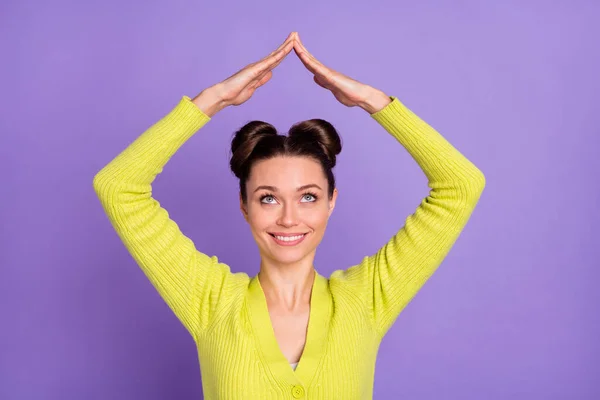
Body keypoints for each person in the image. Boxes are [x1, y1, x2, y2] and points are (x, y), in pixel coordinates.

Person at [93, 31, 485, 399]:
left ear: (332, 201)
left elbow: (460, 185)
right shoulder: (210, 301)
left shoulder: (366, 299)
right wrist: (212, 100)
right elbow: (118, 186)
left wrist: (372, 101)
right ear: (244, 206)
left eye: (308, 197)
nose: (288, 218)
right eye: (268, 198)